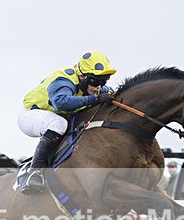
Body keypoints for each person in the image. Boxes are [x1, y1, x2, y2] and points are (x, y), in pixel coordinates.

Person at [17, 51, 117, 194]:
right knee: (58, 124)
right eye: (95, 82)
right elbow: (60, 102)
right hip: (30, 116)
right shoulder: (63, 79)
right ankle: (35, 171)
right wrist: (95, 99)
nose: (99, 87)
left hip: (55, 117)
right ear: (82, 76)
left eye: (103, 82)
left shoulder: (94, 87)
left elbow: (110, 92)